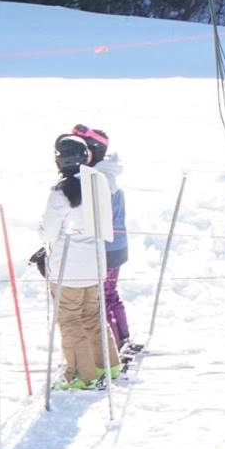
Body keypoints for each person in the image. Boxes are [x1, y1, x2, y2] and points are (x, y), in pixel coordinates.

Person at [34, 133, 120, 390]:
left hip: (67, 270)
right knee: (93, 316)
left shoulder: (60, 192)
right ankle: (108, 364)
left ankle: (81, 375)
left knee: (71, 321)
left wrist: (41, 229)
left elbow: (48, 232)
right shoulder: (98, 183)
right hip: (95, 265)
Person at [75, 123, 137, 356]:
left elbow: (94, 219)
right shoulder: (108, 171)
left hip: (106, 248)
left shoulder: (98, 178)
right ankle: (124, 338)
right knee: (111, 294)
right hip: (118, 245)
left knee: (101, 298)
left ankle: (114, 349)